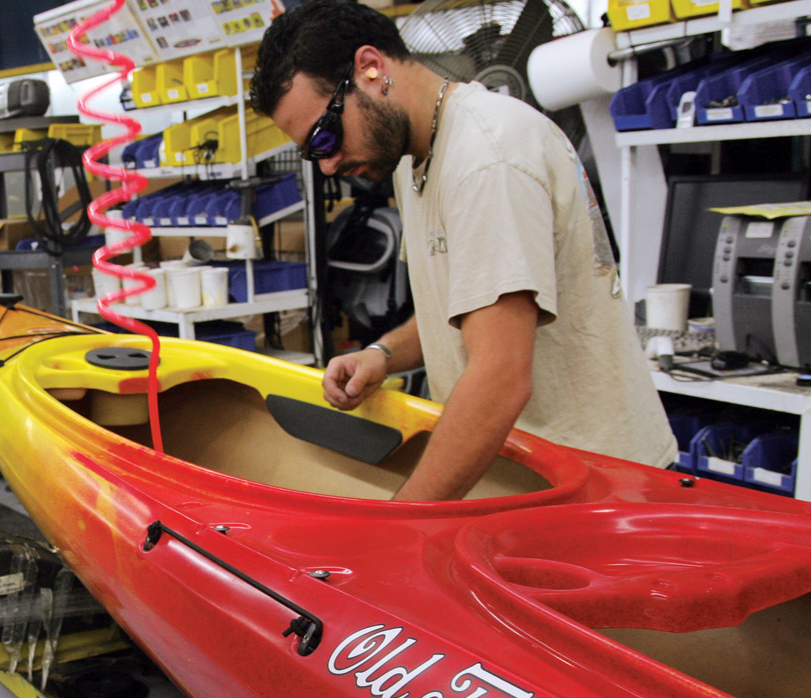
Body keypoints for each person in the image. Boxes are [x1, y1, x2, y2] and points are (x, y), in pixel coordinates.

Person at [251, 0, 676, 501]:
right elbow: (465, 306)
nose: (327, 165)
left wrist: (402, 522)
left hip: (595, 484)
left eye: (325, 136)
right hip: (520, 475)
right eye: (312, 152)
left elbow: (500, 377)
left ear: (371, 69)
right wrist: (383, 354)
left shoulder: (487, 159)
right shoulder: (413, 158)